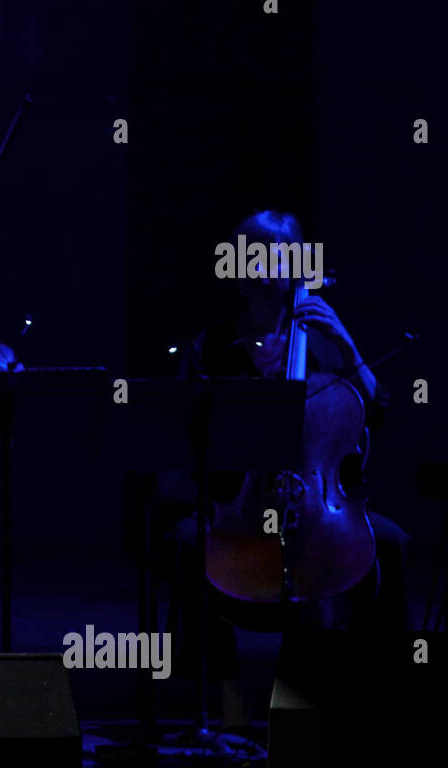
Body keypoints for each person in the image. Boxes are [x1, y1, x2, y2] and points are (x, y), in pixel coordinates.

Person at [167, 208, 410, 730]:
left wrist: (348, 345)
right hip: (237, 504)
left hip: (316, 505)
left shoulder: (322, 342)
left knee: (389, 545)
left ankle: (373, 699)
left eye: (282, 251)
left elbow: (379, 411)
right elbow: (181, 435)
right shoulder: (209, 347)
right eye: (255, 251)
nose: (269, 262)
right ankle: (225, 691)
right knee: (187, 545)